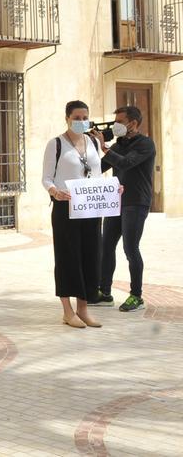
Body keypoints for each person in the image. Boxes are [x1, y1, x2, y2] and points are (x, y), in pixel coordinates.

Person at [42, 101, 107, 328]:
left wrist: (111, 189)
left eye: (85, 117)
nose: (81, 121)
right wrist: (54, 192)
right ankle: (67, 311)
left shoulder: (91, 142)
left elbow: (97, 174)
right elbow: (46, 178)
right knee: (68, 257)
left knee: (91, 256)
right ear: (67, 118)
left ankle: (84, 308)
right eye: (77, 117)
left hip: (90, 208)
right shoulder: (56, 144)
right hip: (65, 207)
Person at [96, 105, 156, 312]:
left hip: (137, 201)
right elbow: (99, 168)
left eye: (120, 121)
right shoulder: (119, 144)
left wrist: (105, 148)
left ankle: (136, 296)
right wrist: (88, 147)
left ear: (133, 123)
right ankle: (104, 292)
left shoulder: (146, 144)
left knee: (130, 248)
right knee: (106, 246)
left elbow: (126, 164)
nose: (116, 126)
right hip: (116, 201)